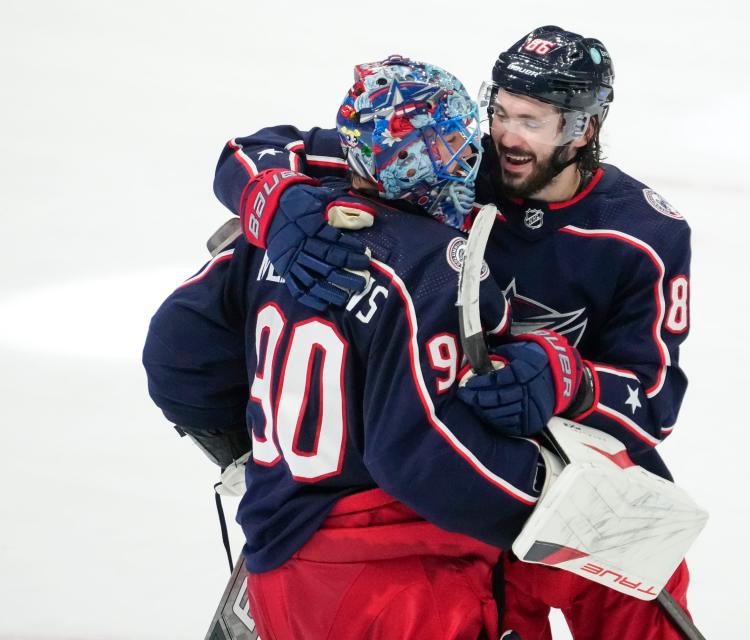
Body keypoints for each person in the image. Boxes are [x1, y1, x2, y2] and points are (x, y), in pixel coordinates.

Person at [207, 26, 694, 640]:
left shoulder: (643, 235)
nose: (507, 137)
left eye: (533, 121)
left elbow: (654, 399)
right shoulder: (439, 157)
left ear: (584, 128)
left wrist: (571, 379)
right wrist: (274, 199)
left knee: (646, 566)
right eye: (501, 112)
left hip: (551, 479)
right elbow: (250, 150)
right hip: (435, 482)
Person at [143, 56, 572, 640]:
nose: (473, 157)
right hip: (395, 580)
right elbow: (424, 456)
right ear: (425, 162)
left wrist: (260, 455)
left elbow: (174, 350)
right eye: (456, 142)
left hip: (276, 562)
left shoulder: (273, 233)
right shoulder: (436, 266)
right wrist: (549, 497)